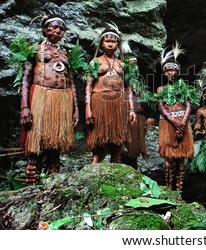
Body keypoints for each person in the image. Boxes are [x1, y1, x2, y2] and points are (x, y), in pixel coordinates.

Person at [19, 13, 79, 185]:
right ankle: (31, 186)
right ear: (45, 29)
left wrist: (75, 109)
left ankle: (52, 187)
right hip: (40, 97)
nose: (58, 31)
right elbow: (25, 79)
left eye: (62, 28)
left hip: (61, 100)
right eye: (54, 27)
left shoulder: (65, 55)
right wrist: (24, 107)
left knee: (55, 149)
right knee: (35, 147)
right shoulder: (35, 50)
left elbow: (71, 83)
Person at [85, 24, 136, 164]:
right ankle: (93, 172)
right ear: (101, 43)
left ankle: (116, 175)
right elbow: (88, 87)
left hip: (119, 103)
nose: (110, 44)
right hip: (99, 101)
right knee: (99, 143)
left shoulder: (123, 65)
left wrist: (131, 109)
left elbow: (128, 89)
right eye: (107, 41)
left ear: (117, 44)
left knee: (117, 143)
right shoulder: (95, 62)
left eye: (113, 41)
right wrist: (88, 109)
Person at [155, 43, 195, 194]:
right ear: (164, 73)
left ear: (177, 72)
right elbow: (160, 107)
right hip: (167, 123)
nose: (170, 72)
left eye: (172, 70)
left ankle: (179, 191)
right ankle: (168, 189)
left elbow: (189, 106)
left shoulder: (183, 87)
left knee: (181, 159)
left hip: (183, 123)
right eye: (167, 70)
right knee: (169, 159)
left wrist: (183, 123)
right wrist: (175, 122)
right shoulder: (160, 89)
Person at [122, 54, 147, 169]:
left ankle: (133, 170)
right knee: (125, 146)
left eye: (135, 64)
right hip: (126, 116)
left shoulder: (139, 83)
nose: (134, 67)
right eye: (131, 64)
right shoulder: (122, 81)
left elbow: (143, 103)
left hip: (139, 117)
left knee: (135, 147)